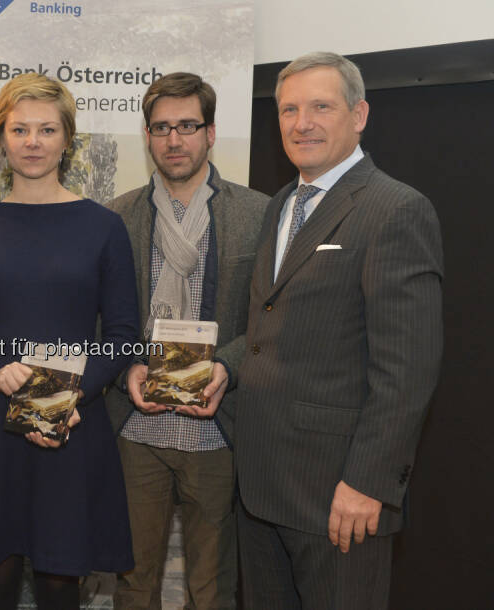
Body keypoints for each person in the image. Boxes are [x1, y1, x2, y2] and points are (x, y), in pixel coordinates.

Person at [235, 52, 443, 609]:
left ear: (360, 115)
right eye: (289, 109)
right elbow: (267, 325)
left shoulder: (395, 210)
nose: (302, 122)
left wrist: (369, 482)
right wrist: (220, 367)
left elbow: (408, 368)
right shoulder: (280, 205)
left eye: (321, 107)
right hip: (259, 486)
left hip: (337, 495)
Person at [0, 72, 139, 609]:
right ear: (2, 139)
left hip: (69, 425)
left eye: (47, 129)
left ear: (68, 139)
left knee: (61, 581)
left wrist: (68, 399)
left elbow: (120, 336)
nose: (33, 142)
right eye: (19, 129)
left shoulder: (102, 227)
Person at [106, 73, 268, 609]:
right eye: (161, 128)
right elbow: (101, 314)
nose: (174, 140)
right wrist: (126, 363)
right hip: (137, 427)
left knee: (212, 586)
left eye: (187, 126)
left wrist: (226, 366)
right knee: (133, 580)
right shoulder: (116, 216)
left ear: (211, 132)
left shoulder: (258, 214)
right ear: (147, 136)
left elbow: (273, 317)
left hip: (216, 428)